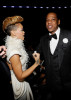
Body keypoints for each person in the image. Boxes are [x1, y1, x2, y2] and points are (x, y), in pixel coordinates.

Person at [2, 15, 40, 100]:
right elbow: (20, 77)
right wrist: (36, 63)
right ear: (13, 32)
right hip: (20, 87)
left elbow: (11, 68)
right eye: (22, 30)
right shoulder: (14, 52)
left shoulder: (11, 46)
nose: (24, 32)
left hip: (17, 83)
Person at [36, 11, 71, 100]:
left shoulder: (69, 35)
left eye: (53, 19)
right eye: (47, 20)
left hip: (68, 84)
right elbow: (36, 53)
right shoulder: (43, 39)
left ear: (58, 22)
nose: (49, 22)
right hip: (51, 84)